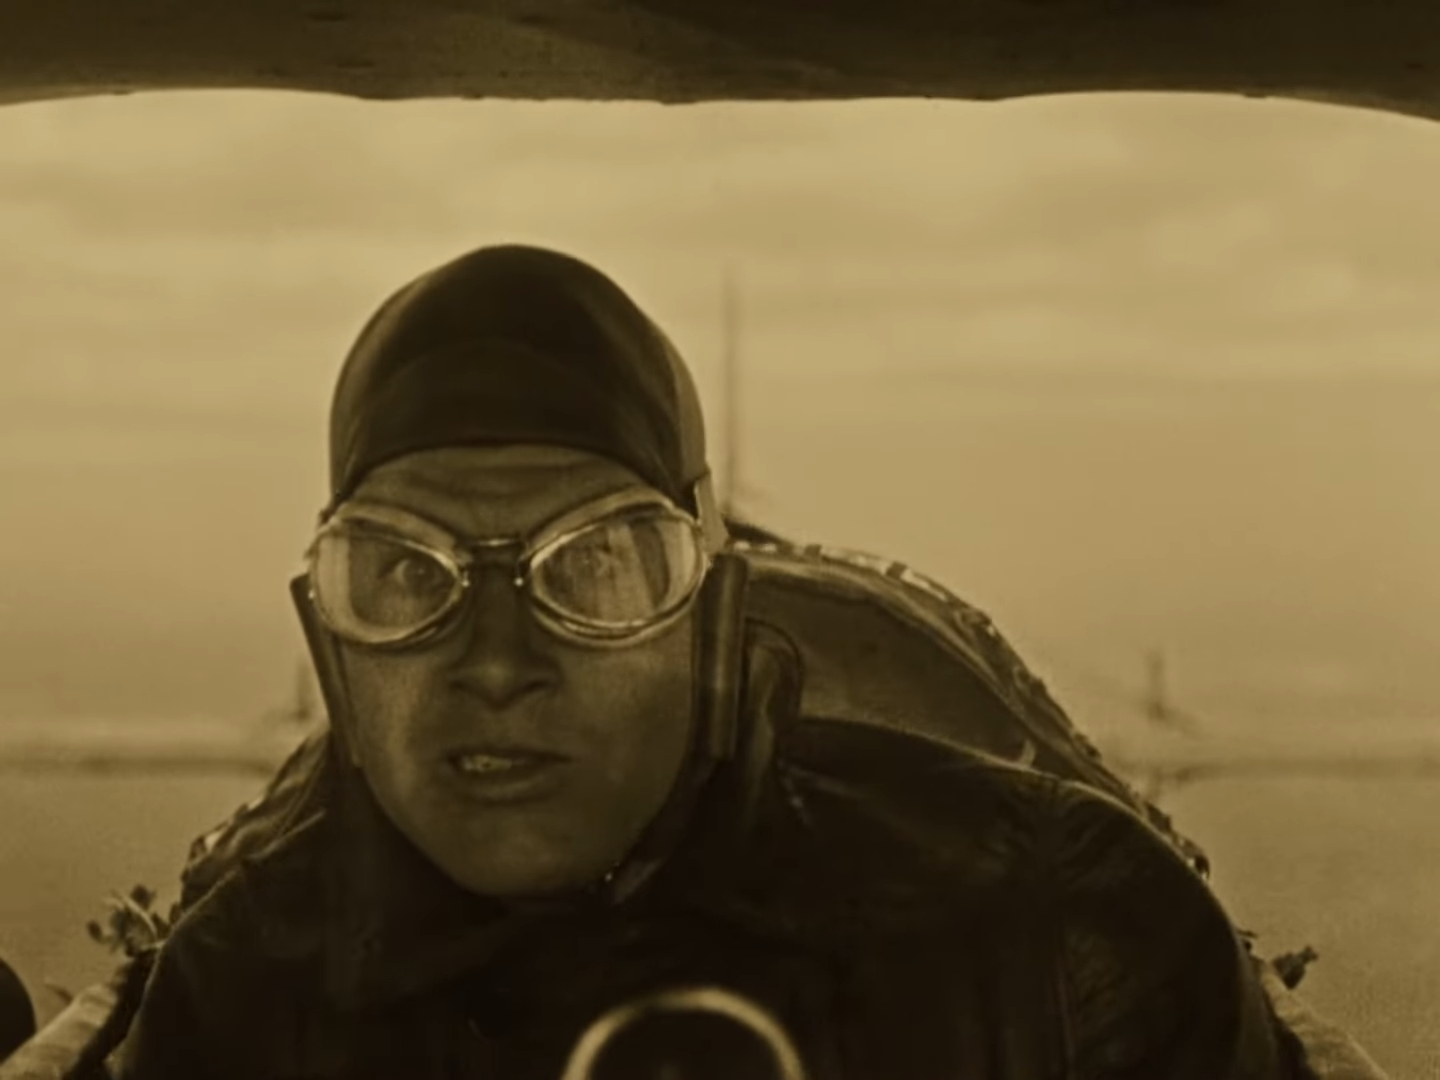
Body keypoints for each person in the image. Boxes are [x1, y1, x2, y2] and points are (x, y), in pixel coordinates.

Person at [104, 244, 1299, 1079]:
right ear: (334, 649)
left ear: (712, 618)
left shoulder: (1062, 936)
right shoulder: (243, 990)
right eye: (407, 576)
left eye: (593, 568)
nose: (497, 663)